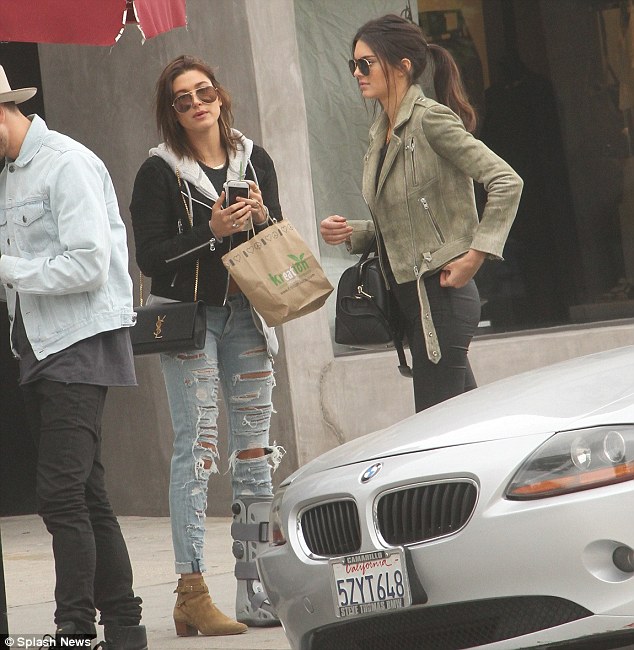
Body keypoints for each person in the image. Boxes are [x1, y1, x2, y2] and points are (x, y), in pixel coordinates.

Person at [129, 55, 285, 636]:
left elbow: (277, 240)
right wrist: (211, 232)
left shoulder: (254, 158)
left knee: (254, 453)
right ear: (172, 112)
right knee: (196, 449)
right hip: (190, 322)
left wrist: (262, 218)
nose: (197, 103)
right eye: (183, 98)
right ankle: (191, 590)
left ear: (220, 95)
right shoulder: (159, 172)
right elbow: (151, 257)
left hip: (248, 316)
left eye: (204, 91)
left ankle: (255, 583)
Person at [0, 66, 146, 649]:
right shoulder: (11, 175)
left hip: (79, 341)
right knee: (85, 493)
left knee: (60, 494)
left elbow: (89, 264)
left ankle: (75, 628)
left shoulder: (67, 163)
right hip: (38, 346)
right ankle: (125, 624)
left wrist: (8, 268)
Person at [321, 14, 523, 412]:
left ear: (402, 66)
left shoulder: (430, 120)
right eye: (353, 65)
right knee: (463, 422)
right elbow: (410, 218)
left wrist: (476, 255)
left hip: (441, 297)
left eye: (366, 64)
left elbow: (506, 181)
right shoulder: (382, 132)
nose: (357, 73)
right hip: (415, 302)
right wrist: (353, 232)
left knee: (436, 427)